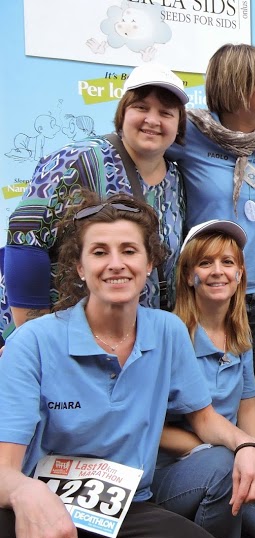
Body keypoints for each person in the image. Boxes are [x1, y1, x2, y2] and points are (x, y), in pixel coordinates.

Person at [0, 193, 255, 538]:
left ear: (150, 263)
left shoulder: (167, 331)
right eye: (99, 252)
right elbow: (5, 469)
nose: (116, 263)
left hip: (127, 507)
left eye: (129, 250)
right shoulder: (33, 342)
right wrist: (25, 492)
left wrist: (247, 447)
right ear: (80, 267)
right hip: (42, 504)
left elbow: (204, 418)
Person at [0, 63, 188, 341]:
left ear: (178, 124)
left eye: (165, 113)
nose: (153, 120)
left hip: (136, 339)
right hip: (63, 337)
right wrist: (32, 338)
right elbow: (25, 241)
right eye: (141, 108)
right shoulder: (80, 160)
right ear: (123, 112)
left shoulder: (176, 179)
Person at [152, 220, 255, 538]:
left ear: (240, 274)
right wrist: (238, 454)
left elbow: (248, 410)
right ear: (188, 275)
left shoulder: (239, 335)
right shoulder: (169, 336)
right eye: (205, 262)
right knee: (223, 467)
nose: (217, 271)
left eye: (227, 262)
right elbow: (152, 430)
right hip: (174, 474)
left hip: (231, 461)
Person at [166, 44, 255, 405]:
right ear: (239, 85)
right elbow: (143, 150)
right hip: (208, 291)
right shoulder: (189, 132)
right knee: (201, 399)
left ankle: (248, 457)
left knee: (254, 396)